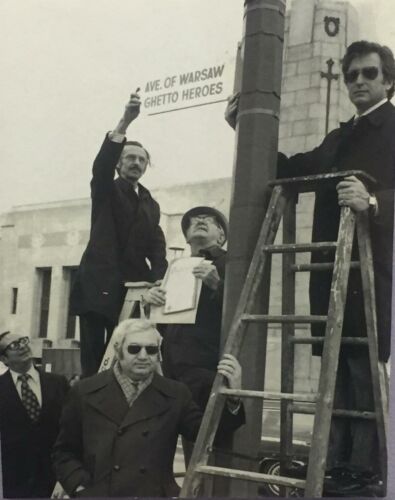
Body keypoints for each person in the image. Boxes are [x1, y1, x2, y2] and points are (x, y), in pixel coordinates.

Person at [225, 40, 394, 488]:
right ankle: (337, 463)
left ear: (389, 81)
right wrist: (246, 128)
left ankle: (366, 470)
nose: (359, 81)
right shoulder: (339, 138)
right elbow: (289, 168)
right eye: (352, 74)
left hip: (376, 270)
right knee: (335, 370)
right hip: (331, 272)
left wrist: (374, 200)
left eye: (369, 74)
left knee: (363, 370)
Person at [53, 319, 244, 498]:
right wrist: (80, 486)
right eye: (134, 349)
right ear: (118, 350)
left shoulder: (176, 394)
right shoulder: (84, 391)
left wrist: (233, 397)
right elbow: (64, 452)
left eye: (151, 349)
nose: (143, 356)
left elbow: (209, 435)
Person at [70, 93, 168, 377]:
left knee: (126, 354)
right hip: (98, 286)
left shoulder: (151, 204)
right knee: (94, 359)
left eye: (141, 159)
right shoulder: (107, 190)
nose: (136, 163)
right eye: (130, 158)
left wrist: (161, 279)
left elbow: (157, 248)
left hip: (131, 290)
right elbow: (99, 168)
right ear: (118, 163)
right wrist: (125, 122)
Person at [144, 206, 228, 411]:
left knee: (204, 432)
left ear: (221, 236)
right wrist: (151, 305)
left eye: (209, 220)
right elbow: (165, 323)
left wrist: (218, 285)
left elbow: (243, 309)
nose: (200, 220)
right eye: (193, 220)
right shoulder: (175, 268)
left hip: (206, 365)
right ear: (187, 238)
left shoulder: (230, 262)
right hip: (172, 366)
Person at [0, 330, 69, 498]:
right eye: (14, 345)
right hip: (16, 482)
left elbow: (72, 428)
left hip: (56, 480)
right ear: (4, 359)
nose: (22, 346)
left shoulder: (58, 383)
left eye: (23, 341)